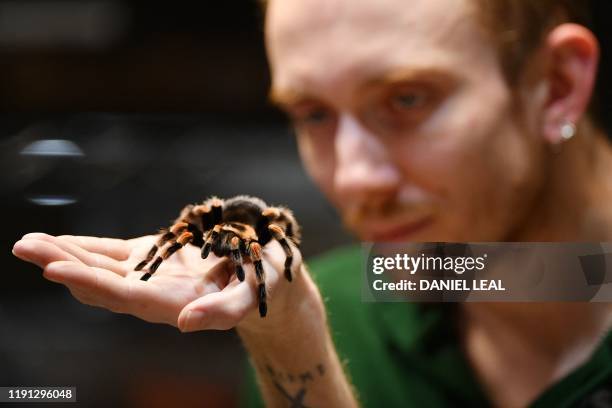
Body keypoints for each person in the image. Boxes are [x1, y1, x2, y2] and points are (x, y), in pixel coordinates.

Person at [12, 0, 612, 406]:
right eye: (314, 113)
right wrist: (292, 335)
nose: (351, 179)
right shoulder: (347, 303)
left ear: (556, 85)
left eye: (408, 100)